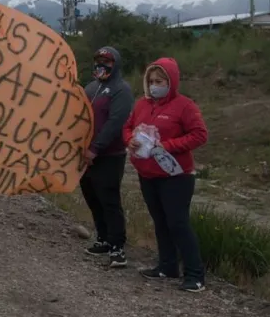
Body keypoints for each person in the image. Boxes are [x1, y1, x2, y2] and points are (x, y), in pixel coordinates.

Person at [123, 57, 209, 293]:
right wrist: (128, 140)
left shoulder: (185, 106)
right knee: (160, 221)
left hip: (176, 176)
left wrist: (168, 145)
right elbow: (128, 126)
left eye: (159, 81)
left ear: (171, 81)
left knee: (178, 223)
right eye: (151, 81)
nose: (154, 85)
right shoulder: (142, 104)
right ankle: (167, 266)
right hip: (147, 173)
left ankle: (195, 274)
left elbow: (200, 135)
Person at [80, 46, 134, 268]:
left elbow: (115, 123)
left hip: (110, 155)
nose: (102, 65)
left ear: (116, 64)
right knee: (92, 197)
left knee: (109, 200)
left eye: (107, 61)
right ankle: (102, 238)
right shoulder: (91, 88)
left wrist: (96, 148)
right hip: (85, 155)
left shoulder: (121, 90)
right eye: (99, 60)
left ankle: (117, 247)